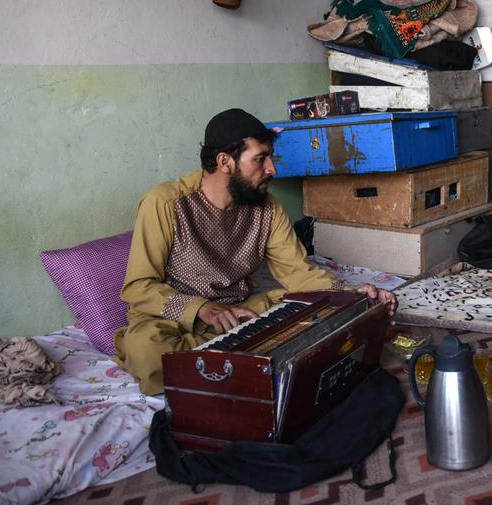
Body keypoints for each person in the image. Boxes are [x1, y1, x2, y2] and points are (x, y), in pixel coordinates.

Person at [114, 108, 397, 395]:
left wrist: (351, 295)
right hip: (171, 318)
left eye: (270, 158)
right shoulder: (166, 203)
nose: (272, 168)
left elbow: (298, 272)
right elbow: (138, 287)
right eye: (260, 159)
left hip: (239, 312)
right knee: (148, 352)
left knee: (309, 312)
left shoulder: (267, 208)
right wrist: (201, 309)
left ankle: (228, 356)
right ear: (225, 161)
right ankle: (243, 354)